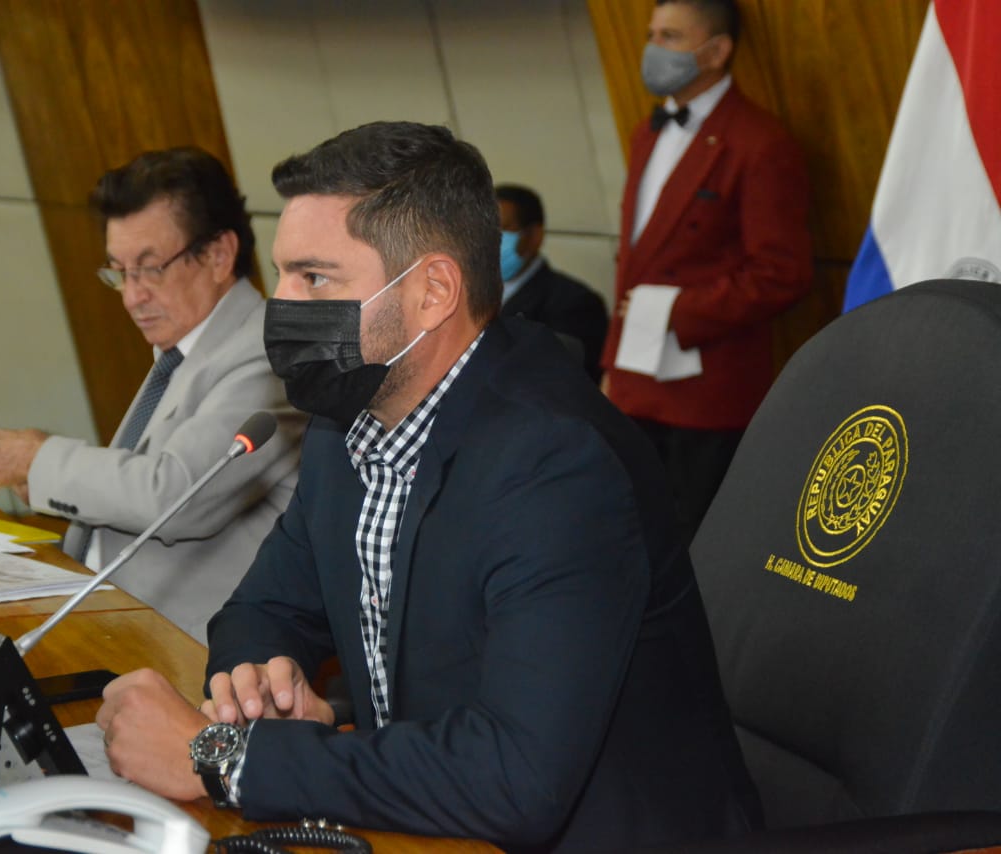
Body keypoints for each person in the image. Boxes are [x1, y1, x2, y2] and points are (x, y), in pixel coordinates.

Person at [95, 121, 761, 852]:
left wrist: (224, 758)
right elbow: (262, 607)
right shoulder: (344, 423)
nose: (278, 305)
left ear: (434, 291)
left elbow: (516, 778)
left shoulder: (559, 466)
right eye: (283, 272)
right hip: (428, 826)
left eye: (314, 277)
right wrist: (256, 684)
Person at [0, 147, 304, 643]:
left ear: (219, 255)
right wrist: (48, 473)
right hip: (108, 616)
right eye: (119, 271)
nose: (132, 296)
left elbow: (175, 495)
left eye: (150, 268)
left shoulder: (269, 354)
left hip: (185, 651)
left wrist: (40, 461)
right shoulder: (186, 347)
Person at [600, 0, 812, 544]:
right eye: (651, 33)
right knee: (631, 535)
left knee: (698, 548)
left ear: (716, 52)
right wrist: (612, 365)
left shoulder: (760, 142)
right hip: (634, 384)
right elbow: (637, 262)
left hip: (707, 392)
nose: (652, 49)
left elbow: (781, 273)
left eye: (669, 36)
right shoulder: (646, 133)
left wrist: (676, 311)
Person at [496, 183, 608, 382]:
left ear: (535, 236)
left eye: (503, 230)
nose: (492, 240)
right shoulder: (464, 295)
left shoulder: (575, 303)